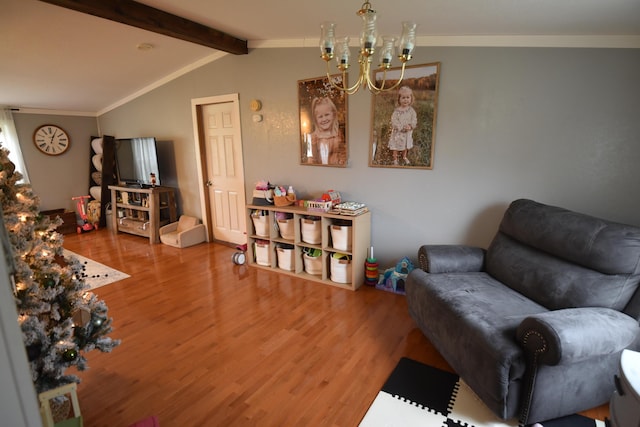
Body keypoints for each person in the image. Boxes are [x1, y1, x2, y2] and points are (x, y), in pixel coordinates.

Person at [309, 96, 346, 166]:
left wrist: (342, 162)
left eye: (327, 115)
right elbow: (312, 159)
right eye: (320, 116)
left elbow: (343, 153)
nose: (324, 119)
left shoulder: (338, 134)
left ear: (333, 114)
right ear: (315, 119)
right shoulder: (314, 137)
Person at [388, 86, 417, 165]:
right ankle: (395, 158)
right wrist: (400, 127)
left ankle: (404, 156)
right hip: (398, 133)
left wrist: (411, 126)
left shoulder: (411, 111)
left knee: (406, 145)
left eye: (408, 97)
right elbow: (394, 120)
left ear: (411, 98)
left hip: (407, 132)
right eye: (403, 98)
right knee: (395, 146)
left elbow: (414, 120)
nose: (406, 100)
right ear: (399, 99)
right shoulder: (397, 111)